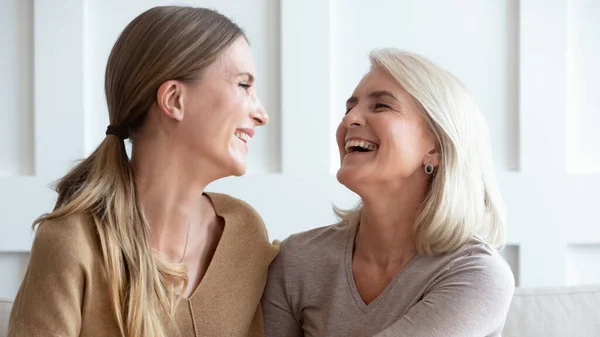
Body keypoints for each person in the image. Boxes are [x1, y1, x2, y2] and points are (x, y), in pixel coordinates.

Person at [8, 5, 278, 337]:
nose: (261, 114)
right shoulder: (73, 243)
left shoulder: (244, 232)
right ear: (175, 99)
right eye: (243, 85)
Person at [261, 48, 515, 337]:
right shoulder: (298, 259)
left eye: (381, 106)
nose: (350, 119)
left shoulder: (476, 275)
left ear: (435, 148)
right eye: (349, 108)